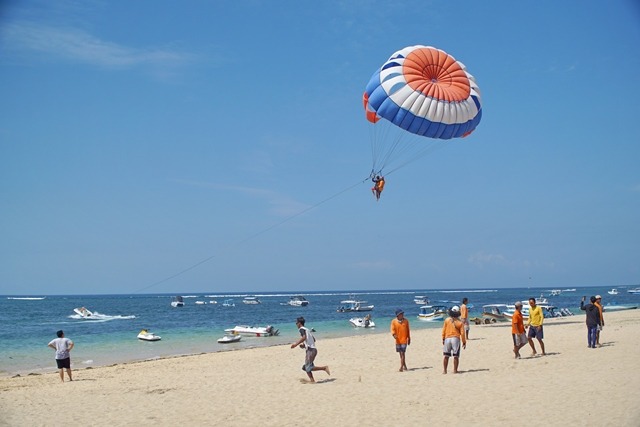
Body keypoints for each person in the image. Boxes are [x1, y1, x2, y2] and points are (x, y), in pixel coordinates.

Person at [290, 316, 330, 382]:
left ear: (299, 323)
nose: (296, 324)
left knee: (308, 367)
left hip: (310, 350)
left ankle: (324, 368)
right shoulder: (307, 330)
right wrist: (304, 345)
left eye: (296, 323)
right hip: (313, 350)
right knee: (305, 367)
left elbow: (304, 337)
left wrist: (295, 344)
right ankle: (312, 380)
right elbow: (313, 339)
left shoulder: (301, 329)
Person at [442, 306, 466, 374]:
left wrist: (443, 338)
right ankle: (455, 370)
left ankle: (445, 370)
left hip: (447, 338)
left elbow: (443, 330)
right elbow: (462, 333)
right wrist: (464, 342)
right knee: (456, 356)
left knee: (446, 356)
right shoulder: (460, 322)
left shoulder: (447, 320)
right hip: (455, 339)